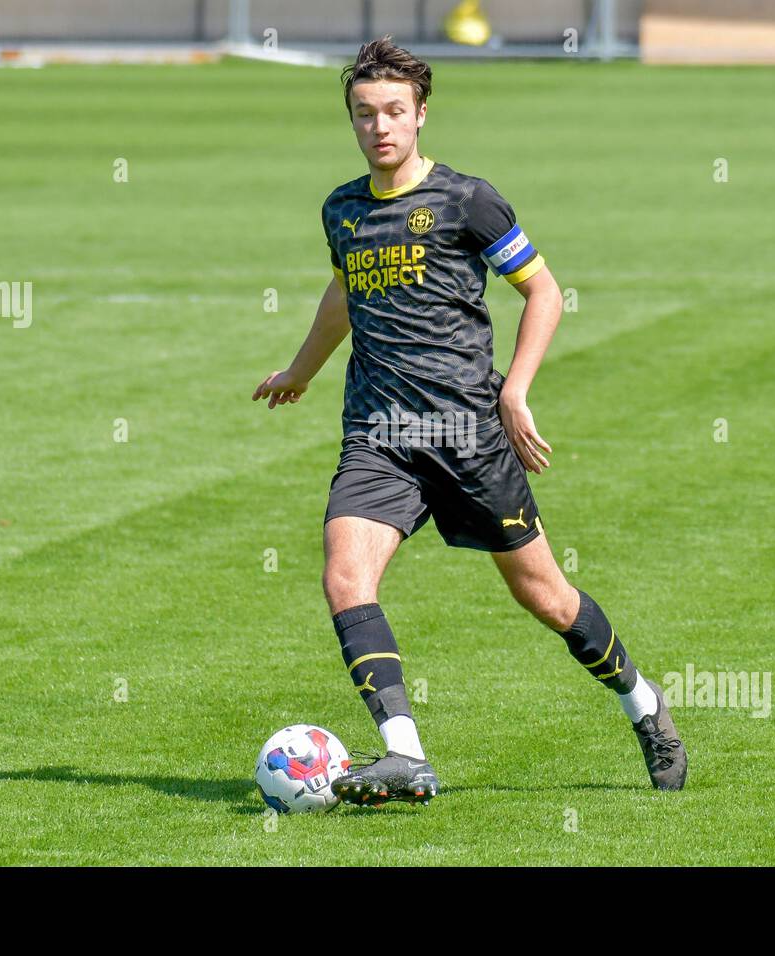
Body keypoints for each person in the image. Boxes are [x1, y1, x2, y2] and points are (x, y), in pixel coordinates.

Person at [253, 36, 687, 805]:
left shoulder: (467, 200)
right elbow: (343, 295)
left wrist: (515, 390)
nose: (379, 126)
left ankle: (643, 705)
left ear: (421, 114)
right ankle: (405, 755)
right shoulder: (344, 210)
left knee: (546, 598)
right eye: (364, 114)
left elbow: (544, 292)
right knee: (344, 576)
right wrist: (300, 371)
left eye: (393, 111)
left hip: (465, 436)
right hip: (378, 436)